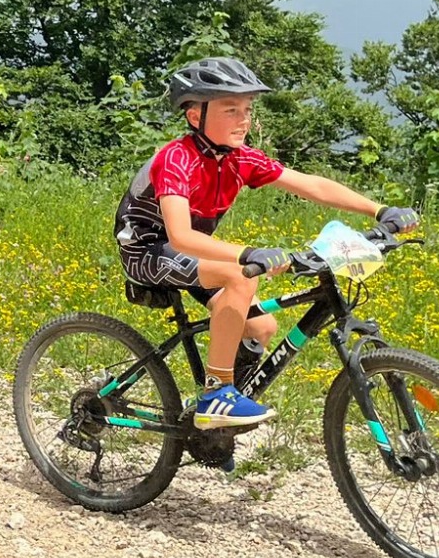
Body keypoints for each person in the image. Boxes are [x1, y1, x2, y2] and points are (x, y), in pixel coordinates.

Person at [113, 57, 418, 430]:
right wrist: (248, 254)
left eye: (247, 109)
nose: (244, 119)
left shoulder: (240, 159)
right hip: (147, 250)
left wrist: (379, 209)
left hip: (193, 253)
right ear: (196, 117)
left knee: (261, 328)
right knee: (241, 276)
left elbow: (312, 185)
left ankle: (213, 429)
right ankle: (215, 394)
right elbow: (181, 236)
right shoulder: (176, 159)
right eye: (231, 110)